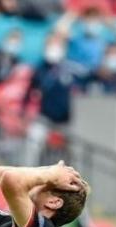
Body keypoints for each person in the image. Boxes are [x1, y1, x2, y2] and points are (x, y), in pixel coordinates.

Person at [22, 34, 85, 166]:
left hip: (66, 119)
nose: (54, 48)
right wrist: (24, 111)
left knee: (77, 149)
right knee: (33, 140)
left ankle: (74, 175)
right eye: (51, 45)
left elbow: (86, 82)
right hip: (45, 116)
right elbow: (29, 91)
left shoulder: (71, 68)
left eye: (57, 45)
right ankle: (27, 171)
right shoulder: (40, 68)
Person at [55, 7, 116, 72]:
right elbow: (58, 32)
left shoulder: (104, 42)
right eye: (89, 19)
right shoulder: (75, 38)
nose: (92, 23)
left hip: (95, 77)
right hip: (75, 75)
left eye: (95, 20)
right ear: (83, 21)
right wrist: (70, 17)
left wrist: (113, 26)